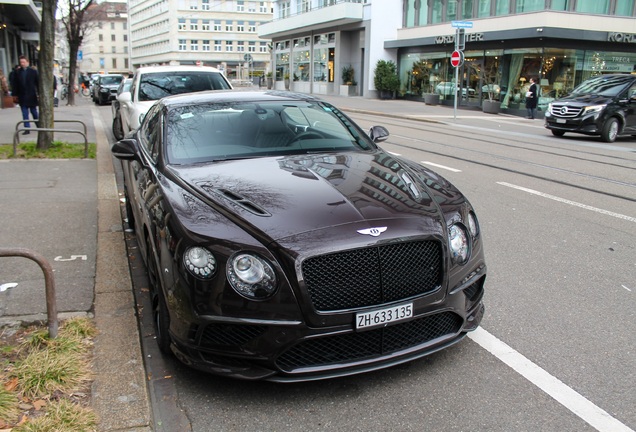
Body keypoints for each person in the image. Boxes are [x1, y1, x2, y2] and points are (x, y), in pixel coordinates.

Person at [12, 55, 39, 134]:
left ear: (27, 62)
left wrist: (39, 94)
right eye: (21, 62)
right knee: (24, 113)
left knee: (34, 112)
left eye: (23, 62)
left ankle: (38, 125)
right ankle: (27, 128)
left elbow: (37, 83)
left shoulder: (33, 71)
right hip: (22, 96)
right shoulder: (17, 72)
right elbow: (15, 84)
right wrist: (15, 95)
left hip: (31, 95)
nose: (22, 64)